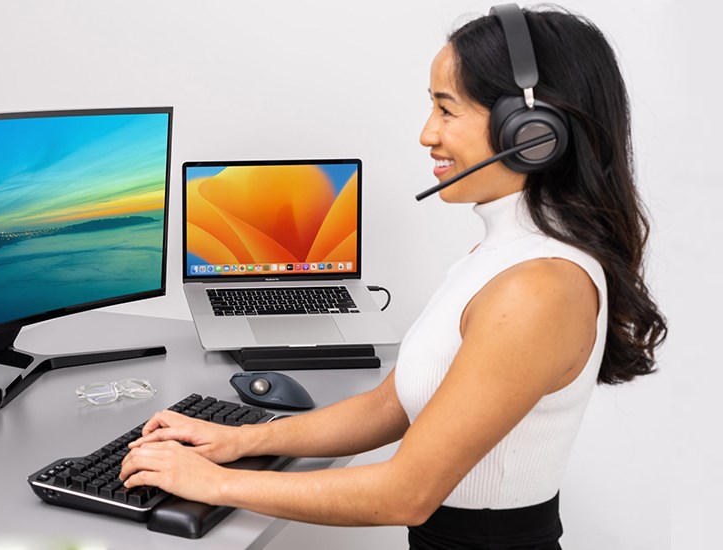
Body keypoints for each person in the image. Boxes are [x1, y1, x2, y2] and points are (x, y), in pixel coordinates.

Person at [119, 6, 666, 549]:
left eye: (446, 110)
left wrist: (214, 483)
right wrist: (238, 441)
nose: (427, 134)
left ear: (531, 131)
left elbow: (406, 493)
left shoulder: (538, 287)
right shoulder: (502, 256)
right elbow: (392, 405)